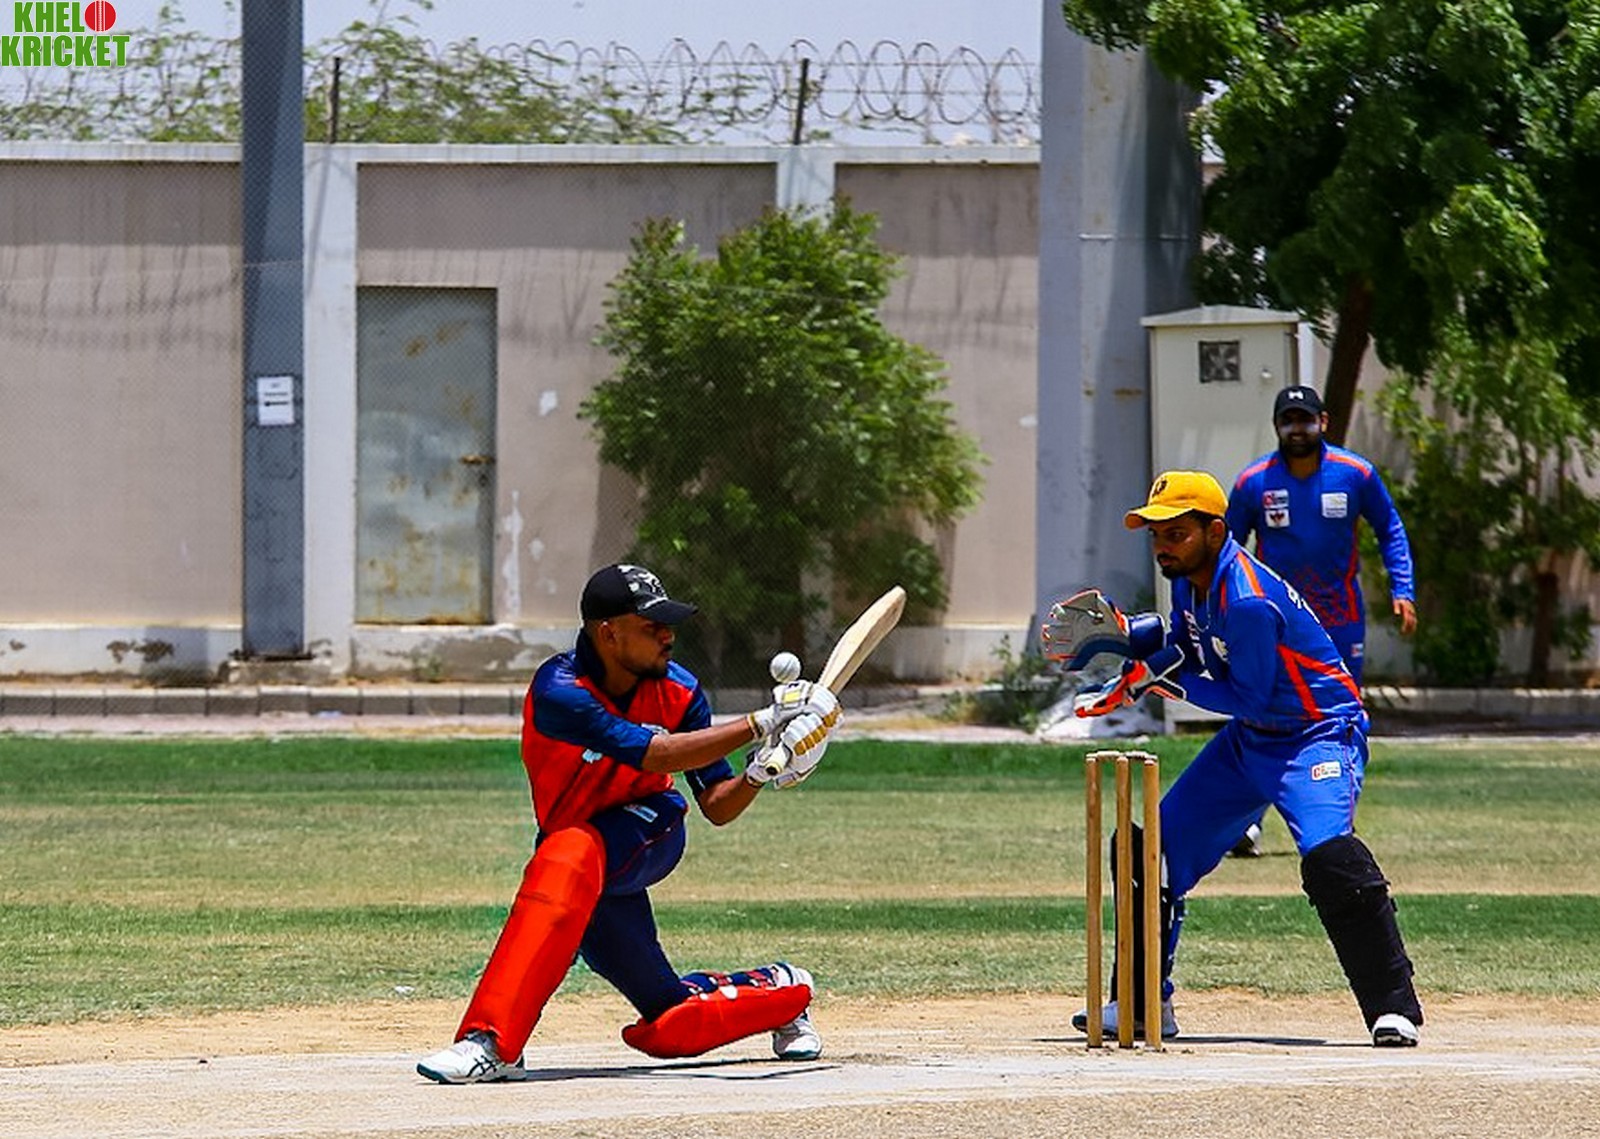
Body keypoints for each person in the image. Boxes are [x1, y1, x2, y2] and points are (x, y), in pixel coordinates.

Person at [417, 563, 843, 1083]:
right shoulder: (560, 689)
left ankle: (491, 1042)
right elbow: (654, 753)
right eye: (651, 626)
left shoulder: (681, 691)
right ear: (609, 633)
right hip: (578, 858)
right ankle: (783, 992)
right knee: (673, 1022)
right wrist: (762, 723)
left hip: (648, 829)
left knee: (570, 853)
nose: (668, 636)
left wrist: (759, 774)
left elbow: (717, 805)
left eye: (668, 625)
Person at [1065, 471, 1424, 1047]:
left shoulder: (1249, 599)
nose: (1163, 547)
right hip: (1252, 740)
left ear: (1215, 532)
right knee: (1146, 852)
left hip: (1315, 734)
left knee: (1330, 858)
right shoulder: (1188, 583)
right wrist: (1134, 651)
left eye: (1177, 534)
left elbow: (1248, 696)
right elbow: (1189, 652)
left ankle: (1393, 1008)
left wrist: (1158, 682)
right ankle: (1141, 1003)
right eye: (1157, 535)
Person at [1224, 385, 1417, 857]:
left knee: (1341, 719)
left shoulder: (1355, 474)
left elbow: (1390, 527)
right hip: (1276, 626)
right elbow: (1225, 549)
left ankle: (1334, 824)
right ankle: (1248, 824)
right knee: (1262, 715)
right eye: (1288, 420)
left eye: (1306, 420)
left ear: (1323, 423)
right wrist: (1222, 609)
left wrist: (1403, 589)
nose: (1298, 429)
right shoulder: (1254, 482)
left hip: (1338, 619)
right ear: (1277, 426)